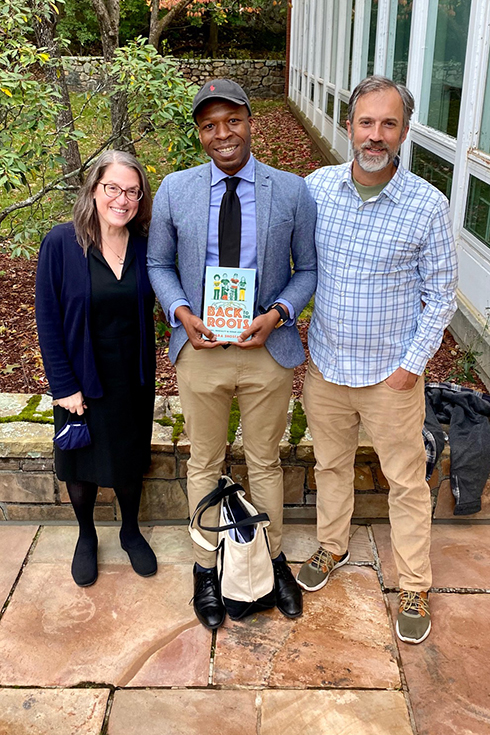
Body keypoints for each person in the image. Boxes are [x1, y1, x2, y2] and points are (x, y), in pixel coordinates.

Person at [148, 79, 317, 630]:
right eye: (210, 125)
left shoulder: (291, 191)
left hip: (266, 350)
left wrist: (278, 315)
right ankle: (206, 567)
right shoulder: (176, 189)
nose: (223, 134)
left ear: (250, 120)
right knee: (205, 463)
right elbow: (159, 265)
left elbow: (307, 270)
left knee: (265, 462)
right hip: (201, 351)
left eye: (232, 120)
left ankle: (269, 563)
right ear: (200, 134)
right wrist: (180, 312)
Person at [296, 76, 458, 645]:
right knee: (331, 466)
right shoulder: (316, 189)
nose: (376, 135)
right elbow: (294, 264)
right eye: (366, 122)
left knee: (407, 482)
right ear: (349, 126)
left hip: (391, 377)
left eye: (389, 124)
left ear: (405, 132)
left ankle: (414, 583)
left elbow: (440, 295)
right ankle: (332, 545)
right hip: (326, 369)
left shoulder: (427, 206)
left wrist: (411, 366)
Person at [36, 150, 157, 588]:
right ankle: (86, 535)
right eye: (113, 188)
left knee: (128, 459)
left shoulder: (146, 245)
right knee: (80, 463)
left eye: (132, 191)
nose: (122, 199)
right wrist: (63, 385)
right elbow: (47, 318)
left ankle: (129, 530)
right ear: (94, 189)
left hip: (132, 377)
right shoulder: (61, 244)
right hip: (81, 378)